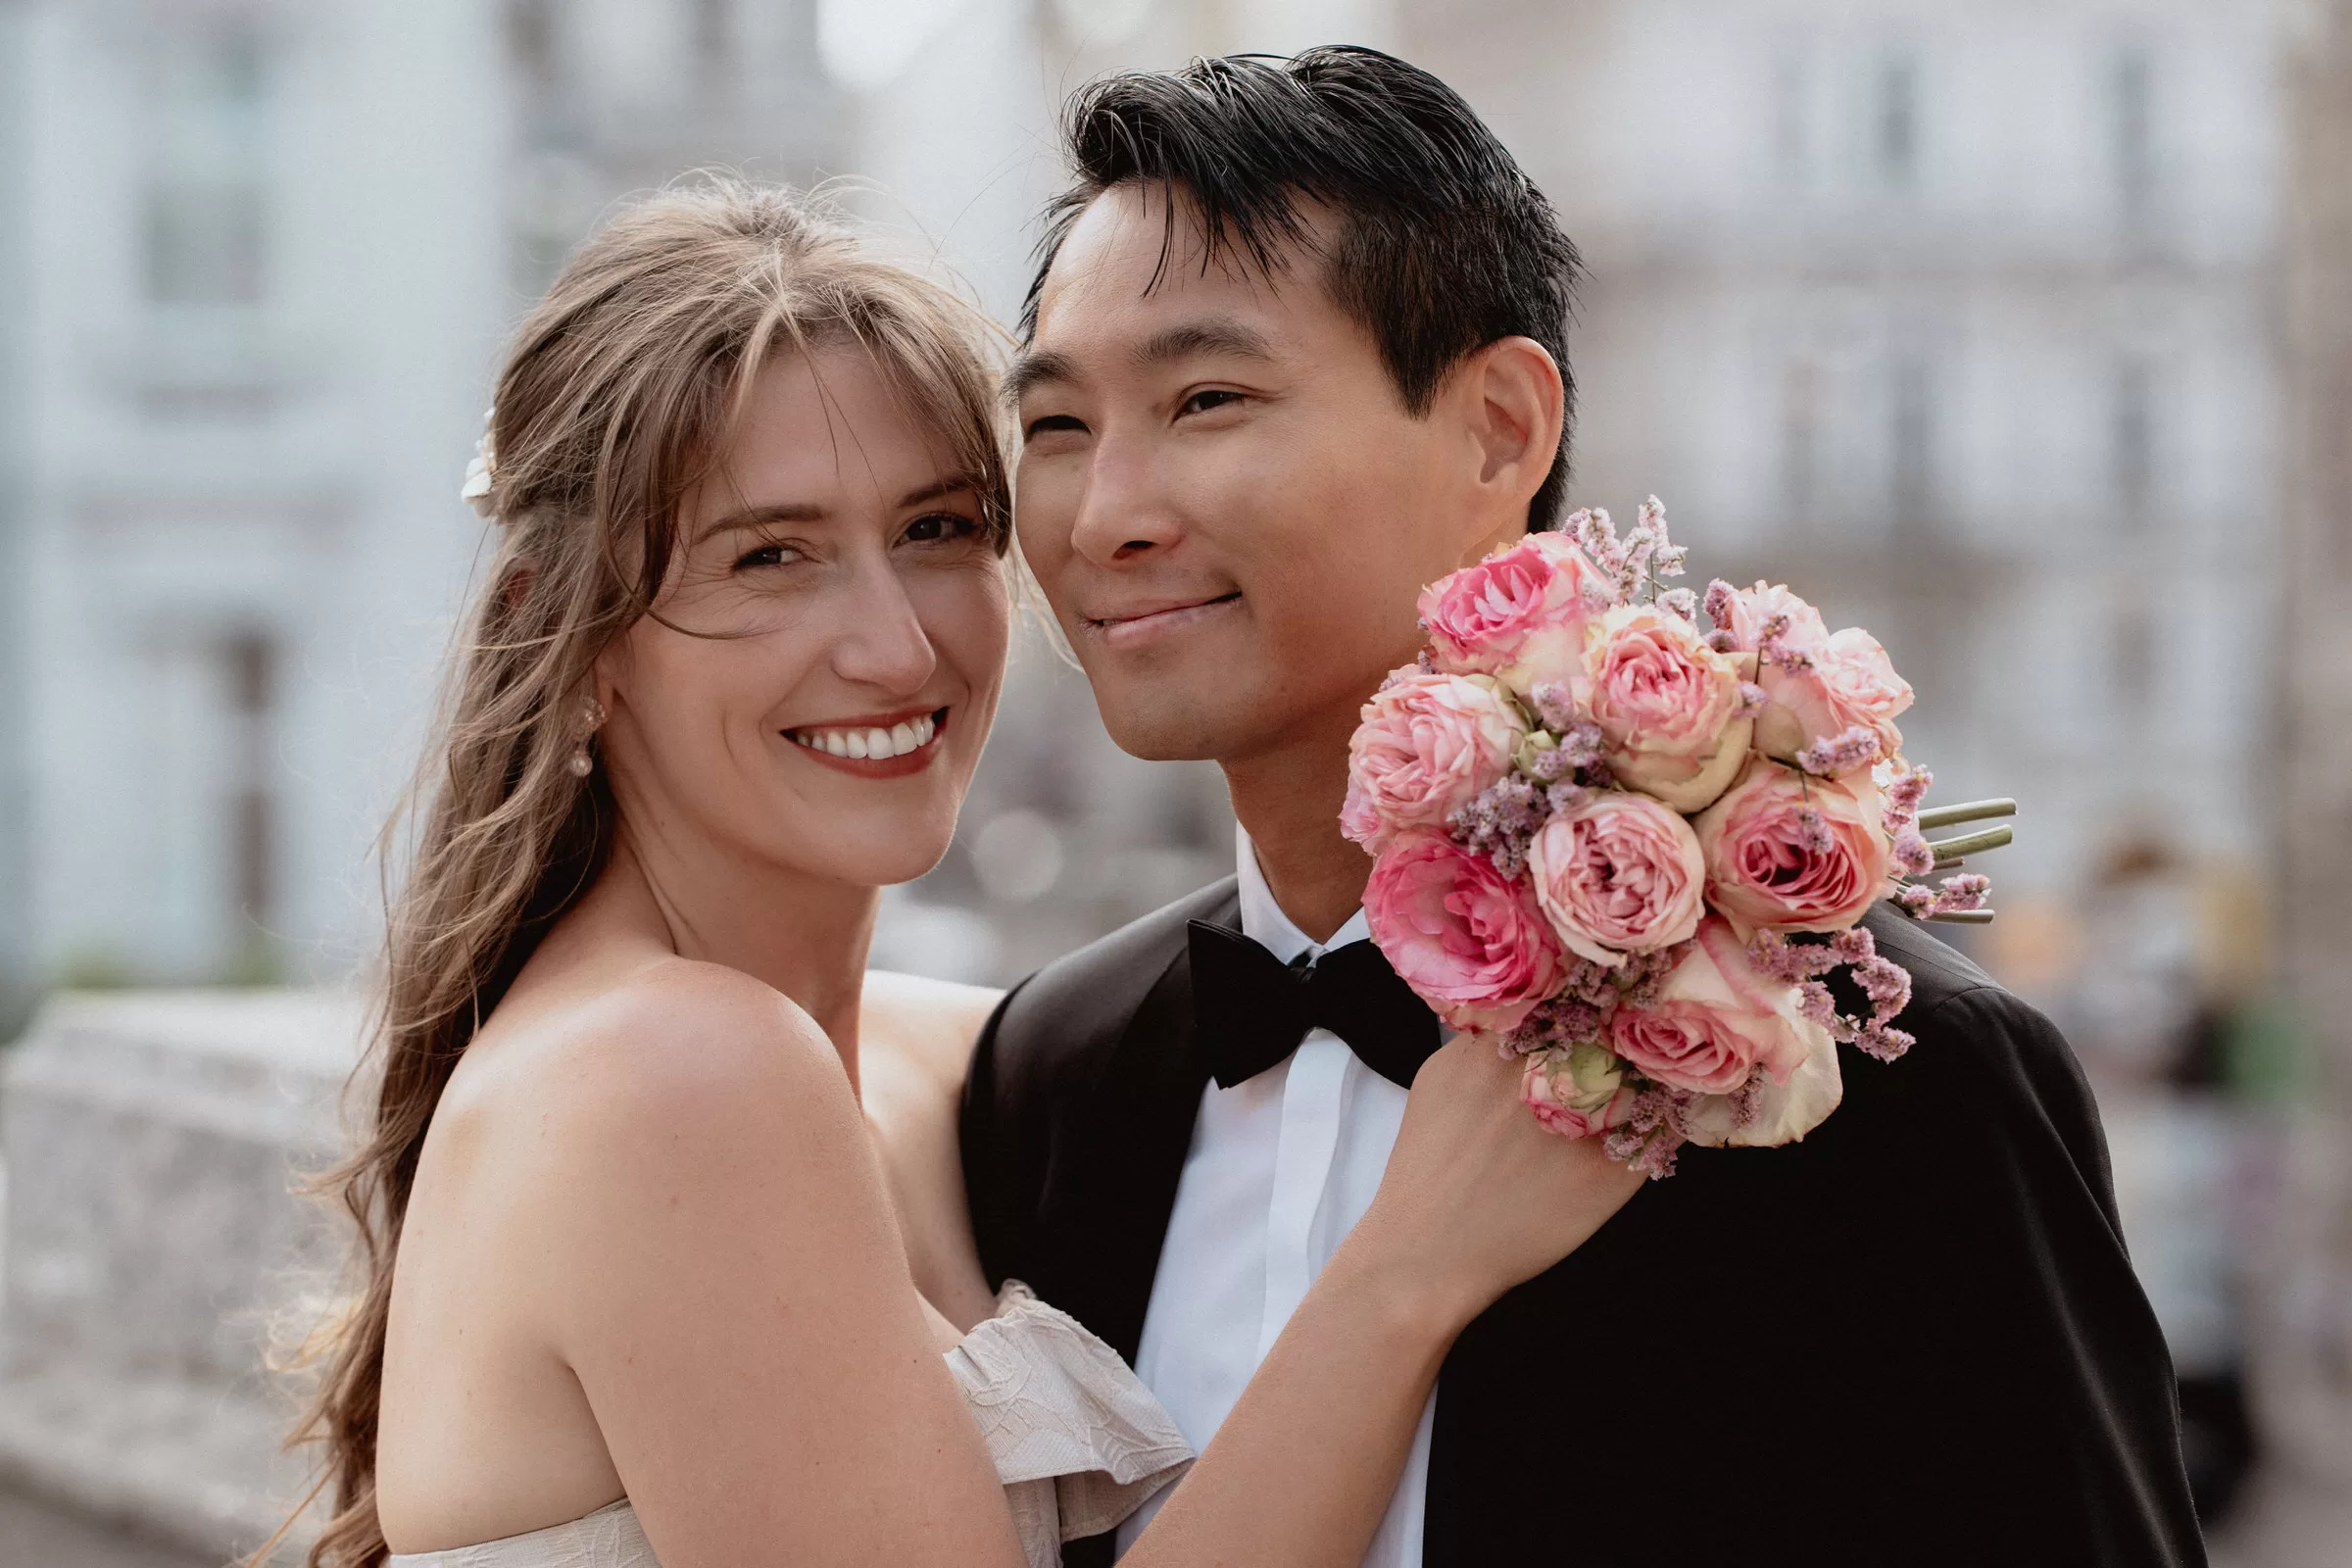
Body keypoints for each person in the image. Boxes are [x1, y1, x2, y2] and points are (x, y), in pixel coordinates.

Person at [270, 177, 1640, 1568]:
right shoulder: (673, 1076)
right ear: (562, 638)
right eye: (771, 557)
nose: (898, 650)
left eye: (934, 532)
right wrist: (1408, 1276)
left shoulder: (974, 1060)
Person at [962, 46, 2208, 1567]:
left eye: (1207, 398)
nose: (1107, 516)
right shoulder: (1055, 1070)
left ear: (1499, 428)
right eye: (1060, 427)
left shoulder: (1880, 1081)